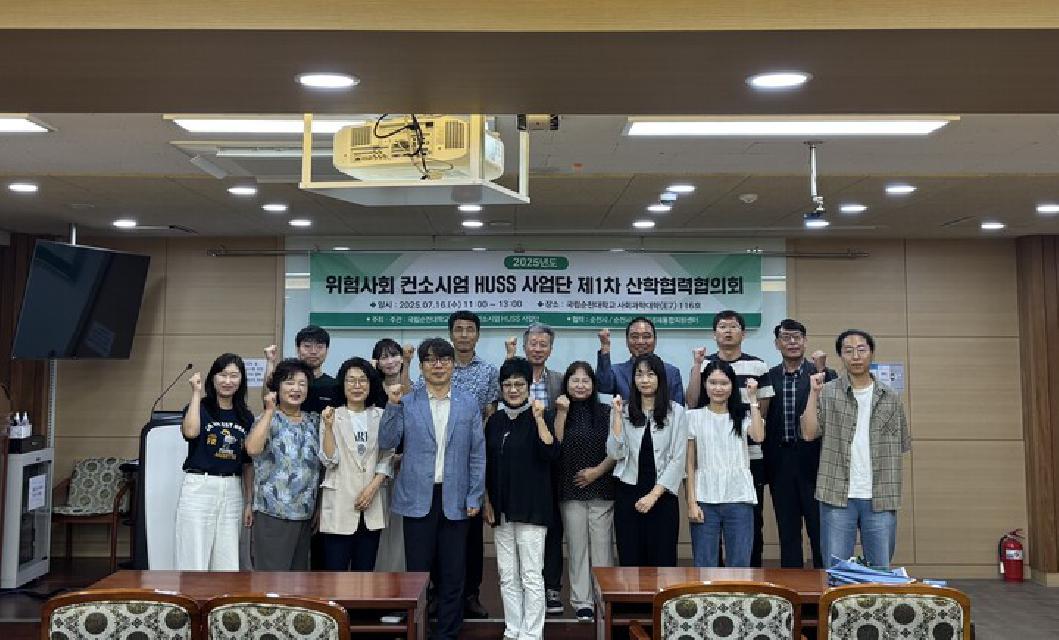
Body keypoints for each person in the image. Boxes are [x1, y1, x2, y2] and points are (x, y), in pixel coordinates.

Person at [379, 338, 486, 640]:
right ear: (422, 366)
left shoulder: (468, 402)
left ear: (452, 365)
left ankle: (447, 633)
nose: (438, 365)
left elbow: (477, 453)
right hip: (417, 498)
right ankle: (418, 630)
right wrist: (392, 405)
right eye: (430, 360)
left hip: (456, 498)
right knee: (417, 574)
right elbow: (387, 441)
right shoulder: (407, 401)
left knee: (453, 572)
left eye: (444, 360)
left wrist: (475, 494)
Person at [802, 330, 911, 568]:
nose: (856, 356)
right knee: (836, 571)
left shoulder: (891, 397)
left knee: (880, 570)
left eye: (861, 350)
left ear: (871, 353)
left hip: (881, 495)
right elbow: (808, 433)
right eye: (848, 351)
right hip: (836, 493)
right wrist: (813, 393)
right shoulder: (827, 392)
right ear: (841, 356)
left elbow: (902, 443)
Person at [686, 310, 775, 567]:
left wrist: (752, 400)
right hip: (705, 495)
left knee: (741, 563)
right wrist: (691, 501)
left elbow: (759, 435)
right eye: (713, 383)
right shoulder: (693, 417)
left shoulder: (742, 415)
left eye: (724, 383)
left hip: (739, 494)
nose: (718, 388)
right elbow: (689, 464)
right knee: (705, 563)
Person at [483, 358, 558, 640]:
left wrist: (539, 419)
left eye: (519, 384)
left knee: (531, 575)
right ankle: (512, 628)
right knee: (507, 575)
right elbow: (486, 465)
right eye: (507, 385)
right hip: (501, 510)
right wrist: (487, 501)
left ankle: (532, 632)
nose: (513, 390)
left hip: (532, 510)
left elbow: (551, 453)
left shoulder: (541, 416)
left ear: (528, 387)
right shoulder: (495, 421)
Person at [764, 319, 837, 568]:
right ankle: (792, 586)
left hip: (816, 461)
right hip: (780, 462)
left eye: (797, 337)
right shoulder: (769, 376)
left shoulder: (824, 374)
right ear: (777, 344)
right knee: (788, 533)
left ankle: (823, 584)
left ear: (805, 341)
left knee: (820, 531)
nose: (792, 342)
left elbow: (832, 409)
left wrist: (821, 370)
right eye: (786, 337)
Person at [441, 310, 498, 619]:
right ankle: (439, 593)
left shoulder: (488, 371)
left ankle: (471, 595)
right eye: (459, 329)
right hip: (441, 461)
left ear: (477, 334)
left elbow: (491, 413)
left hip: (474, 458)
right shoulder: (438, 366)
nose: (464, 334)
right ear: (451, 333)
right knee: (442, 531)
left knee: (471, 534)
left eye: (470, 329)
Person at [174, 353, 255, 570]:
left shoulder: (245, 416)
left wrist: (249, 501)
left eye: (234, 376)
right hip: (200, 486)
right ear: (213, 377)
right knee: (194, 557)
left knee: (228, 560)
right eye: (223, 375)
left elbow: (247, 463)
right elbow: (190, 432)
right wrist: (196, 392)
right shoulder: (200, 407)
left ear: (241, 381)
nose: (228, 381)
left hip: (232, 488)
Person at [504, 323, 564, 614]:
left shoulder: (559, 381)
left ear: (550, 349)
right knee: (517, 533)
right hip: (519, 463)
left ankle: (551, 587)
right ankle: (521, 588)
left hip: (549, 460)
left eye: (544, 344)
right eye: (533, 344)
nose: (538, 349)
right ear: (525, 346)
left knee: (551, 527)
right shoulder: (512, 378)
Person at [607, 354, 688, 567]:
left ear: (660, 378)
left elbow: (678, 459)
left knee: (662, 561)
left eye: (650, 374)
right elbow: (615, 453)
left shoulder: (676, 412)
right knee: (630, 561)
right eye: (639, 374)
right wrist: (617, 417)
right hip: (628, 493)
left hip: (662, 495)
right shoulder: (622, 410)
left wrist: (653, 496)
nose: (644, 380)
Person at [552, 361, 616, 623]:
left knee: (602, 549)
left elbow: (617, 449)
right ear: (566, 384)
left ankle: (604, 597)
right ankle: (582, 603)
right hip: (570, 489)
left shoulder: (606, 412)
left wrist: (596, 472)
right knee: (577, 548)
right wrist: (561, 413)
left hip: (601, 486)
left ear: (593, 384)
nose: (580, 385)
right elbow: (554, 446)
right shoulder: (557, 411)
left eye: (585, 380)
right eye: (575, 380)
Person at [318, 357, 395, 571]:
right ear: (342, 385)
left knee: (365, 575)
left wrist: (373, 487)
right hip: (340, 504)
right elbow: (329, 460)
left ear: (371, 384)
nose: (357, 385)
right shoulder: (331, 415)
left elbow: (388, 455)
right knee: (335, 574)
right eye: (351, 380)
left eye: (363, 380)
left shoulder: (381, 416)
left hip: (372, 503)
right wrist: (328, 427)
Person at [245, 358, 321, 571]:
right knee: (271, 579)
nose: (296, 388)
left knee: (298, 581)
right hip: (273, 513)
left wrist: (319, 507)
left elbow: (321, 467)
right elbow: (252, 449)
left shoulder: (314, 421)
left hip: (305, 514)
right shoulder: (268, 419)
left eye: (302, 383)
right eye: (289, 382)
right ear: (277, 387)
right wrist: (269, 411)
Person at [371, 338, 415, 574]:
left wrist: (403, 456)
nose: (389, 361)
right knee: (376, 525)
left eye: (394, 355)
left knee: (400, 530)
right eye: (383, 357)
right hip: (374, 468)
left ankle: (400, 580)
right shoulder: (371, 390)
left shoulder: (415, 388)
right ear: (376, 362)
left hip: (405, 467)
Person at [596, 316, 685, 404]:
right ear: (627, 341)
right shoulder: (616, 372)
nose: (640, 342)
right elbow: (603, 387)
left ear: (655, 340)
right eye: (635, 337)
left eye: (646, 336)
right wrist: (605, 347)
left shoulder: (671, 372)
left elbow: (678, 407)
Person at [262, 324, 336, 414]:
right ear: (298, 349)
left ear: (327, 350)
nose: (313, 351)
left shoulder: (334, 386)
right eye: (307, 346)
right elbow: (268, 399)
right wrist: (270, 362)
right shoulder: (286, 380)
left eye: (319, 347)